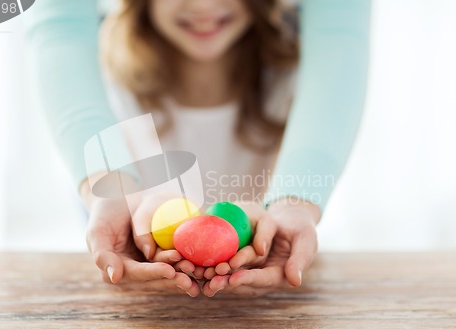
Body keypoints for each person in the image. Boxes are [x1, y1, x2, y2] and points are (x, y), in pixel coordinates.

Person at [24, 0, 371, 297]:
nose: (202, 6)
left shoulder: (296, 86)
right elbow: (58, 25)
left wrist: (295, 208)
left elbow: (340, 33)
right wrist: (109, 194)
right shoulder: (105, 88)